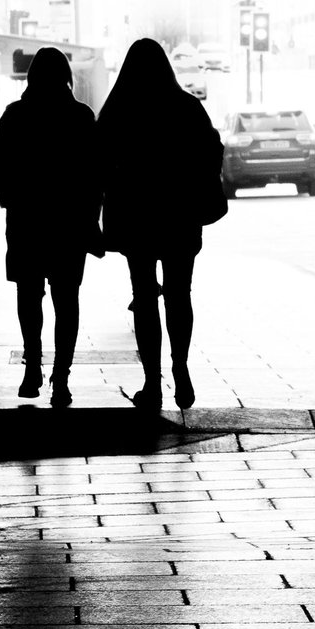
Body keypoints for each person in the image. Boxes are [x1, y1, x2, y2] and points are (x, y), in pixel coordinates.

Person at [97, 38, 225, 411]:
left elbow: (99, 161)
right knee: (179, 294)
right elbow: (212, 150)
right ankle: (181, 368)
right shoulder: (187, 107)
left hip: (136, 219)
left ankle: (153, 383)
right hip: (180, 216)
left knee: (145, 298)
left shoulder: (119, 109)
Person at [0, 48, 102, 406]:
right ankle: (62, 379)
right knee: (66, 300)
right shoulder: (82, 117)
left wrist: (10, 199)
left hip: (27, 221)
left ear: (32, 77)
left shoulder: (15, 115)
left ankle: (32, 367)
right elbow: (96, 174)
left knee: (29, 294)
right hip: (69, 223)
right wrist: (90, 216)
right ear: (66, 76)